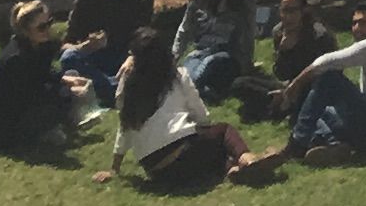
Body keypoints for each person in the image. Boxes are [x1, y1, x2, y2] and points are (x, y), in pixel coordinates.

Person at [109, 13, 285, 189]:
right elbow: (201, 115)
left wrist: (115, 168)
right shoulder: (176, 76)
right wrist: (204, 129)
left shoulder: (128, 83)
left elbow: (125, 127)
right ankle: (247, 159)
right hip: (184, 150)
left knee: (212, 153)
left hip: (158, 171)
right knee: (223, 131)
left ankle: (233, 169)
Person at [283, 3, 366, 165]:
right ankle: (336, 145)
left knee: (329, 78)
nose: (356, 28)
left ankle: (298, 145)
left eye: (363, 23)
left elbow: (326, 61)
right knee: (312, 106)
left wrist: (296, 84)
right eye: (354, 23)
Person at [0, 0, 88, 158]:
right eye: (41, 27)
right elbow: (29, 94)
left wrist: (66, 80)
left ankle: (57, 124)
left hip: (18, 106)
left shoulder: (37, 46)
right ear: (26, 30)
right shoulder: (16, 58)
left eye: (49, 23)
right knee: (58, 100)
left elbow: (43, 73)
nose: (47, 29)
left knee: (67, 84)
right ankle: (46, 130)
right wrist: (66, 90)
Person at [59, 0, 154, 99]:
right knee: (69, 57)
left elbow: (144, 39)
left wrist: (132, 57)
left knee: (149, 61)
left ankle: (98, 89)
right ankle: (114, 89)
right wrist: (86, 46)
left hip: (124, 59)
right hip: (94, 59)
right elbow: (66, 45)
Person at [178, 0, 256, 100]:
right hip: (201, 51)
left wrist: (246, 64)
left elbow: (249, 32)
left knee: (208, 64)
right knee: (185, 75)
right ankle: (207, 93)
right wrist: (175, 56)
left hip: (229, 56)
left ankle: (198, 91)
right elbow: (185, 29)